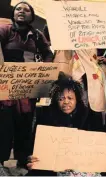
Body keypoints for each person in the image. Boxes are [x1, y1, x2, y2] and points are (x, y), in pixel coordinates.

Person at [26, 74, 106, 176]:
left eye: (70, 98)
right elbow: (34, 146)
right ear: (56, 101)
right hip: (53, 169)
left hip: (83, 167)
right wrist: (30, 158)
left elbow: (103, 145)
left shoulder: (90, 117)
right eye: (61, 99)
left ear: (77, 100)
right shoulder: (45, 117)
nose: (66, 102)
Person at [0, 1, 53, 167]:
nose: (21, 11)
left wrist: (43, 72)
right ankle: (1, 163)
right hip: (6, 89)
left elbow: (48, 54)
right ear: (13, 13)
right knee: (4, 127)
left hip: (28, 90)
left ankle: (23, 163)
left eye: (26, 9)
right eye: (18, 8)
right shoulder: (5, 30)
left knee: (24, 126)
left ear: (32, 15)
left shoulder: (37, 35)